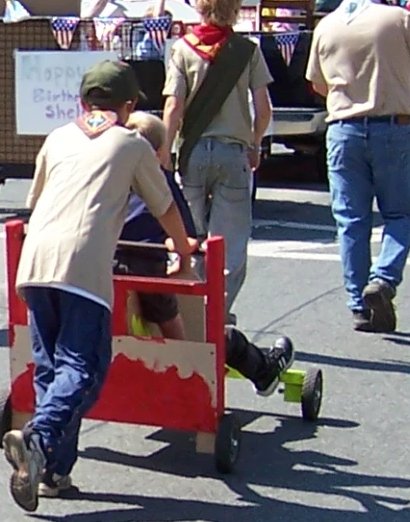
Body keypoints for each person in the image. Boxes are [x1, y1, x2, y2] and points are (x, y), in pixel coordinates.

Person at [3, 60, 192, 508]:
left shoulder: (57, 137)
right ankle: (41, 436)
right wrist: (182, 250)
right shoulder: (130, 143)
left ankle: (52, 471)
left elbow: (37, 200)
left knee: (52, 370)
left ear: (82, 102)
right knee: (82, 368)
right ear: (128, 106)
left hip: (34, 262)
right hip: (82, 267)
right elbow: (164, 205)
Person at [307, 0, 410, 333]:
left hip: (343, 128)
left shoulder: (327, 25)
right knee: (400, 214)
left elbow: (317, 83)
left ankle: (358, 304)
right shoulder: (397, 18)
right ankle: (383, 277)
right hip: (392, 125)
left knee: (351, 220)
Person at [121, 113, 295, 389]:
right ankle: (256, 370)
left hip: (107, 275)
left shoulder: (109, 183)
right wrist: (181, 255)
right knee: (208, 332)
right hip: (147, 274)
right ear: (159, 152)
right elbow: (185, 237)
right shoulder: (160, 181)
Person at [162, 0, 271, 308]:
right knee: (230, 241)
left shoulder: (182, 49)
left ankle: (190, 307)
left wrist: (165, 150)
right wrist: (254, 142)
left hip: (192, 151)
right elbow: (264, 107)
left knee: (187, 236)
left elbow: (173, 105)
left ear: (200, 6)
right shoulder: (247, 51)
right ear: (236, 9)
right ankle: (219, 311)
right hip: (233, 150)